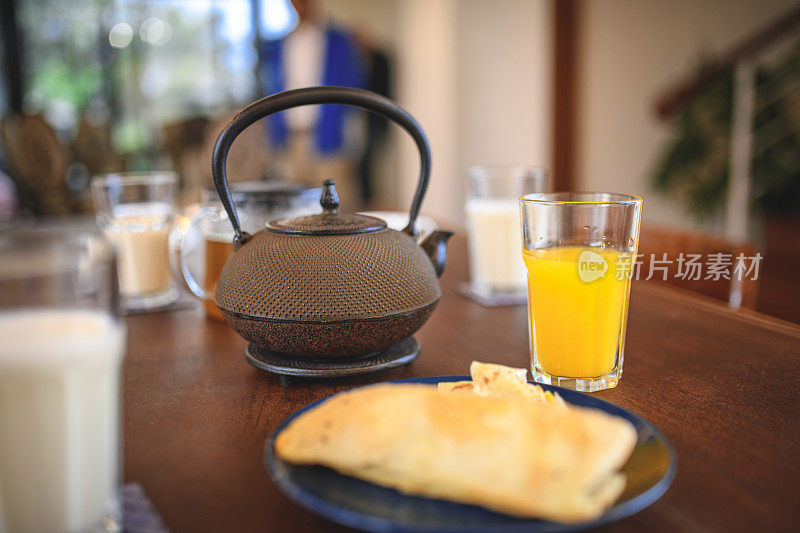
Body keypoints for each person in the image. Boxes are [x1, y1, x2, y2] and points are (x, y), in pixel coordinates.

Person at [258, 0, 365, 203]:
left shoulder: (338, 40)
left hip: (329, 140)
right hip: (291, 140)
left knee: (339, 208)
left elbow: (354, 87)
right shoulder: (280, 45)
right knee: (295, 211)